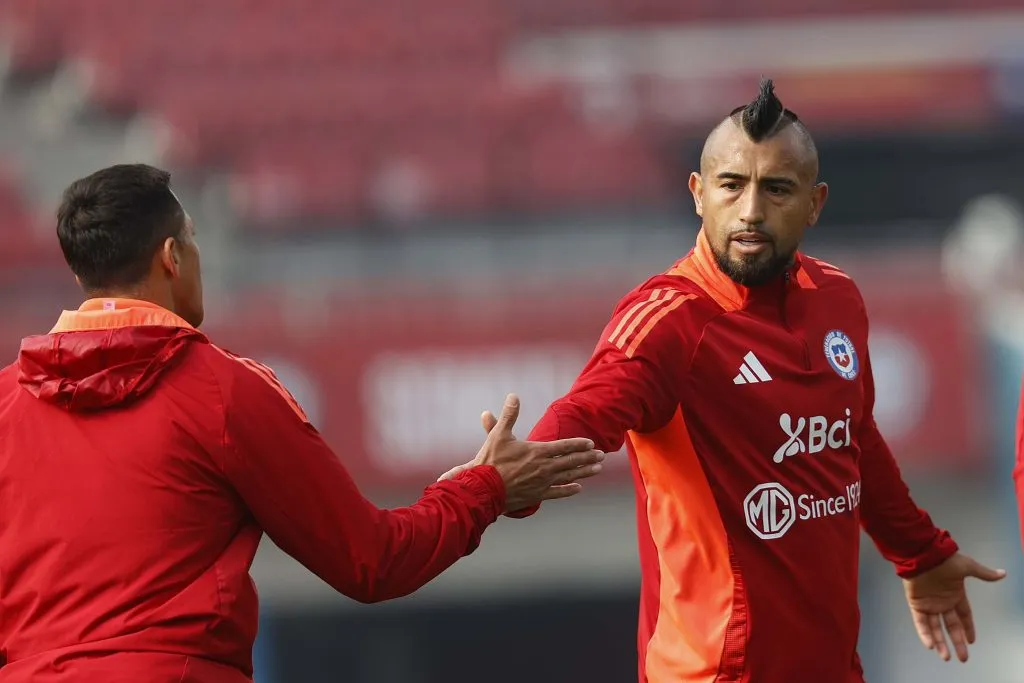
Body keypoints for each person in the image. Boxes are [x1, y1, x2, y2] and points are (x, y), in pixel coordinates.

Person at [446, 79, 1006, 682]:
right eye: (732, 185)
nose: (751, 211)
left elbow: (853, 438)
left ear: (815, 203)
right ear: (698, 193)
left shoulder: (838, 297)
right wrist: (505, 481)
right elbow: (585, 411)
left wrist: (919, 552)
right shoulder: (668, 321)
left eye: (777, 189)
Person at [0, 164, 605, 683]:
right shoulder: (222, 392)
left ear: (82, 277)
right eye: (193, 239)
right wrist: (485, 487)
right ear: (171, 257)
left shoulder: (6, 403)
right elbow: (372, 560)